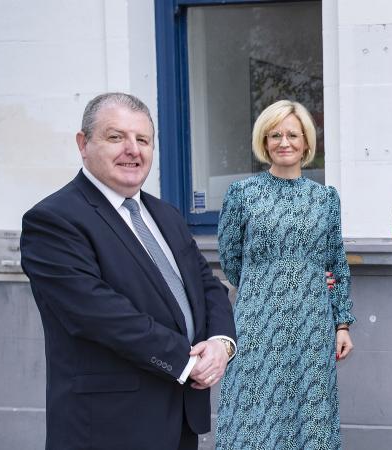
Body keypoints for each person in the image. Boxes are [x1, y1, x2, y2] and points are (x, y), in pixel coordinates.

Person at [20, 92, 237, 449]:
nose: (132, 150)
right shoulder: (55, 220)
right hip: (109, 425)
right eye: (116, 137)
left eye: (143, 140)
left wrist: (220, 343)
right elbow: (98, 314)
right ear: (83, 144)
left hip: (181, 417)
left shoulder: (165, 215)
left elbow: (206, 285)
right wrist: (186, 361)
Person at [214, 100, 354, 448]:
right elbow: (231, 260)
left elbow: (335, 261)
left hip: (311, 324)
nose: (284, 142)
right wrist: (266, 283)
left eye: (293, 134)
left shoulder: (325, 199)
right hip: (256, 323)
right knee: (251, 411)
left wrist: (342, 323)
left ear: (307, 142)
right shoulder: (242, 194)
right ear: (264, 141)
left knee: (310, 413)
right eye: (275, 134)